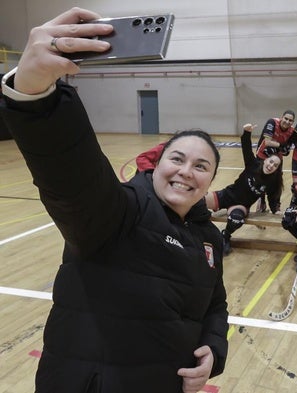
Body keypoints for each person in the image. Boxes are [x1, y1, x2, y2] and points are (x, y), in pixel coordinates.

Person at [0, 8, 228, 393]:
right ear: (155, 165)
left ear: (209, 181)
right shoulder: (121, 212)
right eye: (177, 158)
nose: (187, 171)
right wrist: (37, 98)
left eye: (201, 165)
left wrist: (214, 350)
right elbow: (73, 178)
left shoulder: (209, 240)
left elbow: (215, 306)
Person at [205, 123, 284, 255]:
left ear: (276, 169)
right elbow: (246, 148)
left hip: (241, 205)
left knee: (236, 219)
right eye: (270, 162)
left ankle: (226, 236)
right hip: (226, 195)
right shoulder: (253, 164)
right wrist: (246, 132)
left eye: (275, 165)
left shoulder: (273, 182)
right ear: (265, 161)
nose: (271, 166)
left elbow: (273, 198)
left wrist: (276, 210)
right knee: (196, 202)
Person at [254, 110, 296, 212]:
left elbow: (286, 152)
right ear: (281, 117)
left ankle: (276, 205)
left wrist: (279, 147)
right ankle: (261, 201)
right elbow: (267, 142)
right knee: (260, 179)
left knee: (276, 182)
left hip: (277, 158)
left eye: (290, 120)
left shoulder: (292, 131)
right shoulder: (272, 122)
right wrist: (281, 146)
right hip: (263, 155)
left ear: (292, 122)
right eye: (286, 118)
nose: (287, 121)